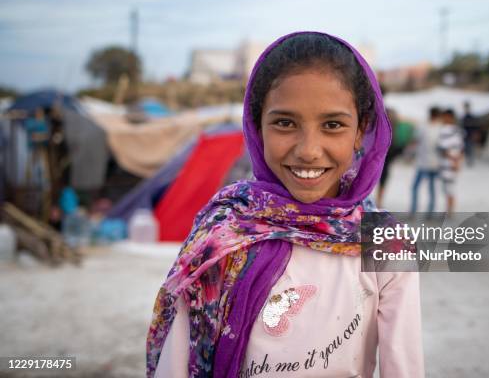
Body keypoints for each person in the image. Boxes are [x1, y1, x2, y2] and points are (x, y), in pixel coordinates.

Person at [146, 32, 424, 378]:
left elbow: (404, 367)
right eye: (285, 123)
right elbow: (177, 366)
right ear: (257, 126)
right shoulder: (221, 237)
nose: (308, 149)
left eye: (333, 125)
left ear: (361, 130)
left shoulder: (385, 242)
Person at [376, 107, 413, 207]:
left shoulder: (391, 126)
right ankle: (378, 201)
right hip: (384, 155)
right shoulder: (387, 125)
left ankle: (378, 201)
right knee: (381, 178)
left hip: (386, 155)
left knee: (382, 178)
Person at [410, 107, 442, 215]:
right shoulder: (440, 128)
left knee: (417, 187)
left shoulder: (424, 127)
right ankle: (429, 212)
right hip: (430, 162)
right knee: (430, 188)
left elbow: (415, 141)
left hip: (427, 162)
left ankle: (416, 210)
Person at [438, 109, 464, 214]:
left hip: (448, 163)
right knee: (450, 187)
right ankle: (449, 209)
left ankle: (449, 210)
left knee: (448, 187)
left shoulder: (446, 130)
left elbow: (442, 148)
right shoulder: (457, 130)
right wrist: (457, 161)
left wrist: (453, 159)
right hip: (453, 162)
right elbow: (461, 148)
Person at [461, 101, 478, 166]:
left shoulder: (471, 117)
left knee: (470, 149)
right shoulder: (464, 117)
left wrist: (475, 134)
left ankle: (470, 161)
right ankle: (467, 160)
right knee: (466, 149)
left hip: (470, 135)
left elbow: (475, 126)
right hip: (465, 136)